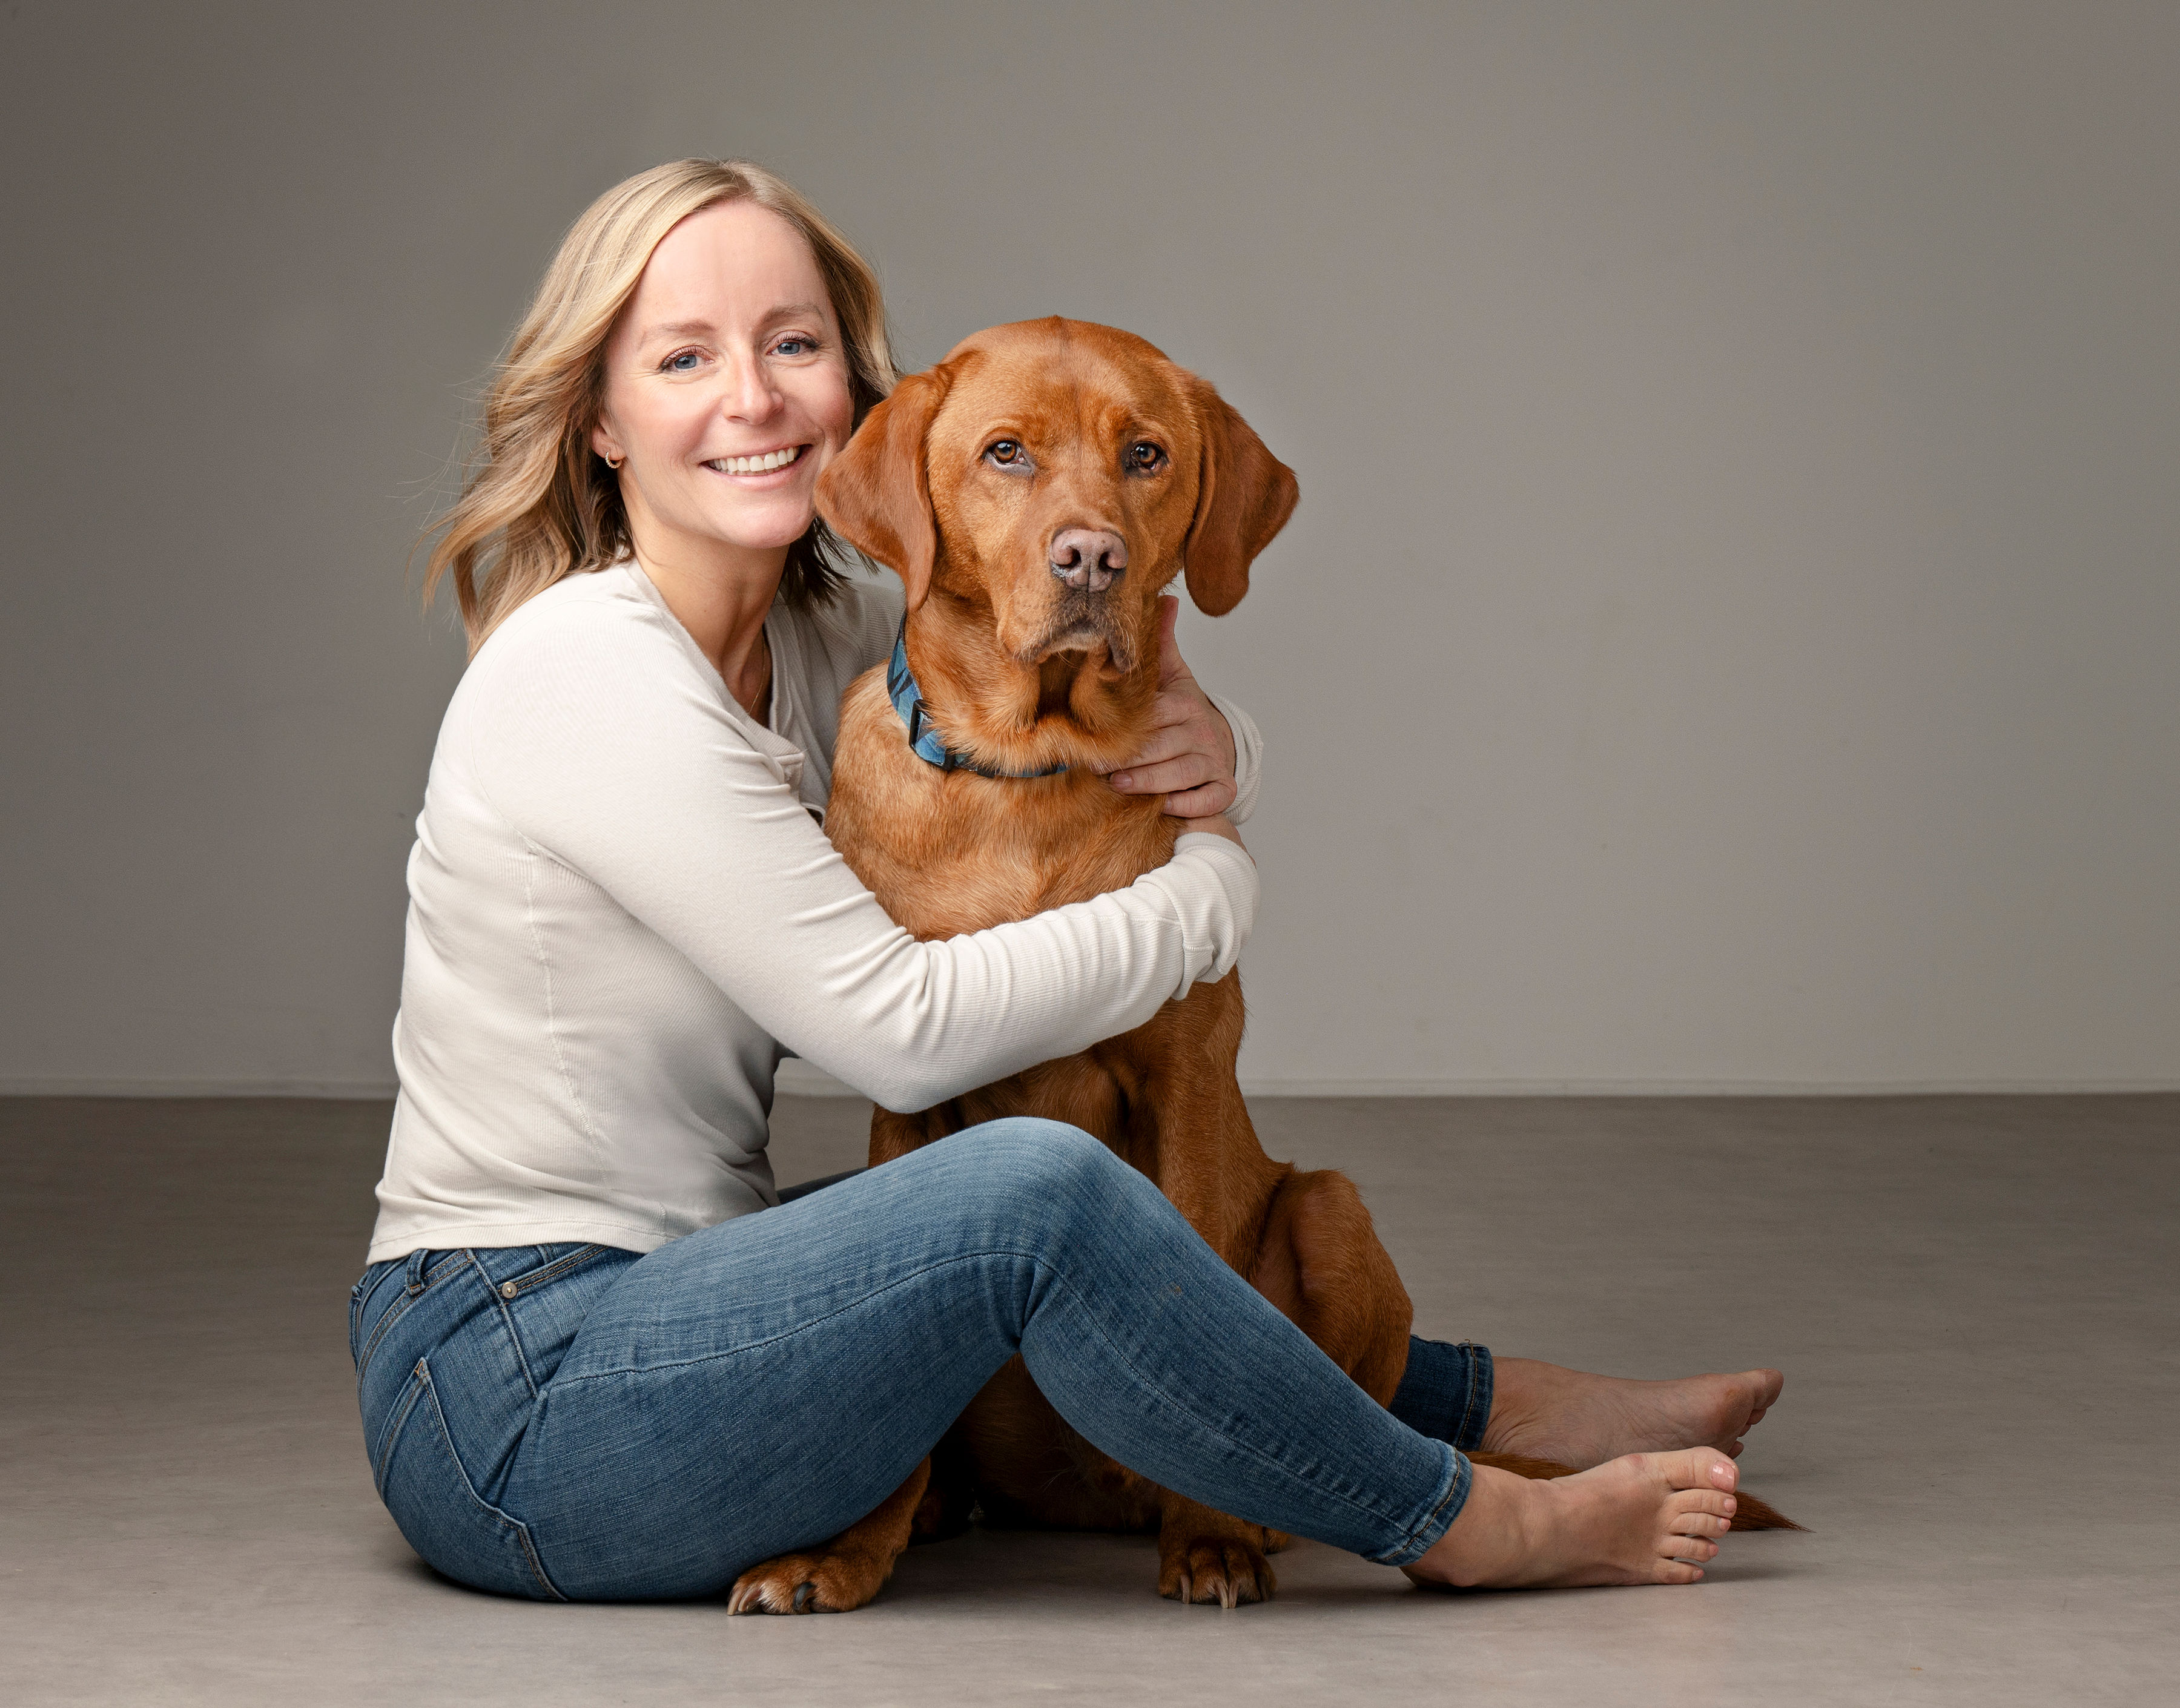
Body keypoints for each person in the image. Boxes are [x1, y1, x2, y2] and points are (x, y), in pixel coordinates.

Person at [354, 157, 1783, 1606]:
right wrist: (1209, 896)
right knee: (1034, 1182)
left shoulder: (824, 644)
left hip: (692, 1288)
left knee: (1076, 1206)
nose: (755, 396)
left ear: (854, 384)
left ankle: (1487, 1400)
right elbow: (896, 1035)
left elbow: (1042, 658)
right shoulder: (586, 669)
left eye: (793, 345)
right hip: (512, 1379)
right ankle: (1466, 1517)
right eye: (683, 357)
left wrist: (1227, 744)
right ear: (600, 419)